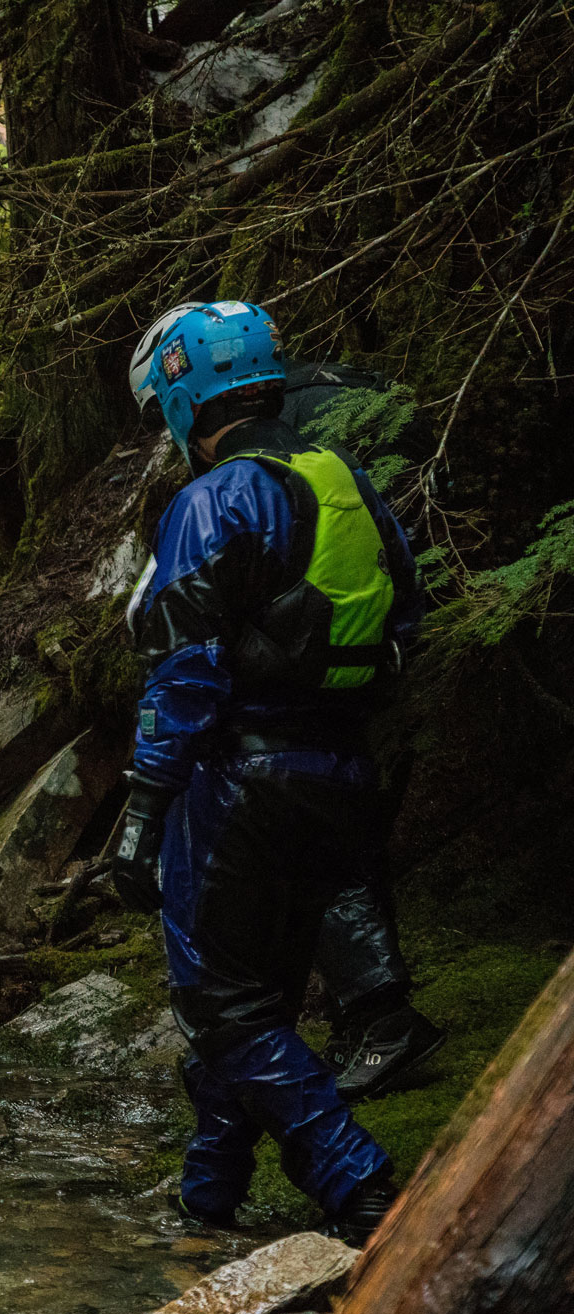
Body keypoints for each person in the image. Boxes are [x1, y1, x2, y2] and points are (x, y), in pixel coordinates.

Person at [115, 300, 424, 1245]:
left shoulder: (215, 497)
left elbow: (186, 663)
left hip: (239, 787)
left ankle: (360, 1183)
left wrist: (143, 807)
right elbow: (407, 619)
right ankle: (208, 1200)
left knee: (220, 1002)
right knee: (259, 997)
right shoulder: (348, 480)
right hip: (338, 771)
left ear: (183, 395)